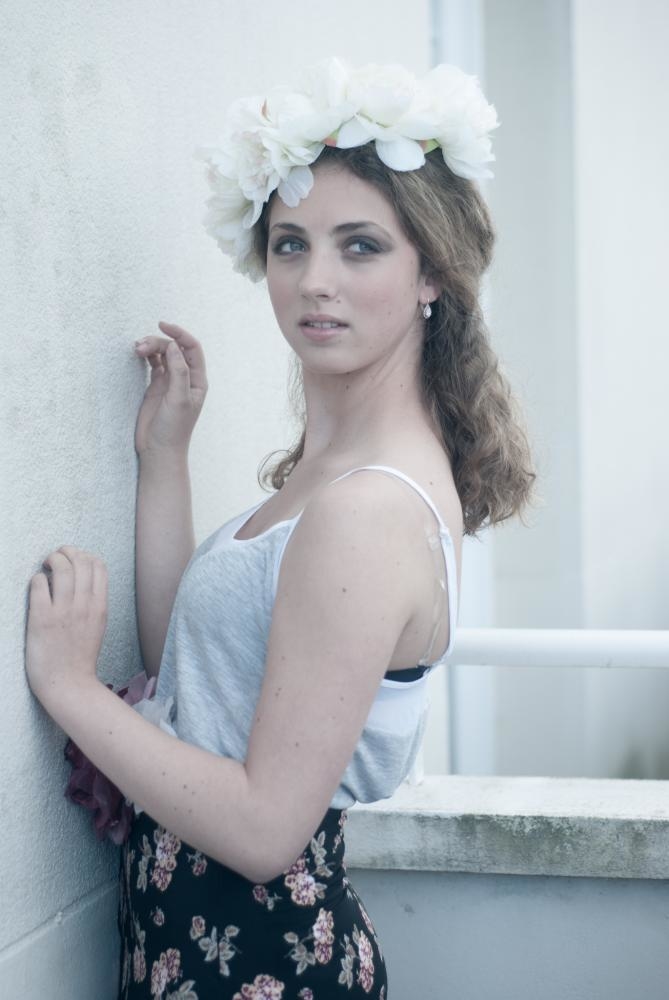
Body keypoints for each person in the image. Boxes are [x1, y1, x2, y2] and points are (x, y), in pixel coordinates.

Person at [25, 59, 534, 998]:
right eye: (290, 244)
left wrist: (69, 688)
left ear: (432, 271)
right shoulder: (338, 472)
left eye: (359, 247)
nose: (313, 281)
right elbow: (202, 683)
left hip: (259, 960)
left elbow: (264, 831)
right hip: (201, 942)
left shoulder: (366, 509)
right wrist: (164, 461)